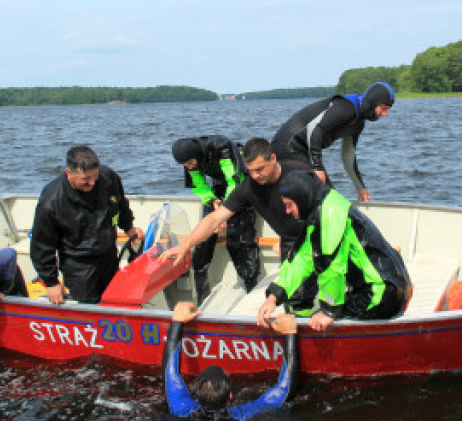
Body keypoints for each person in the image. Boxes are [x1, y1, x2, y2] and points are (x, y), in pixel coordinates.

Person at [257, 170, 412, 332]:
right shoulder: (324, 205)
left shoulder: (329, 217)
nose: (287, 211)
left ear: (302, 199)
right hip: (392, 285)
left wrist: (329, 311)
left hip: (382, 294)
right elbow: (301, 259)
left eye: (290, 204)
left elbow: (331, 268)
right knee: (322, 312)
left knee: (318, 319)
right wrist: (273, 297)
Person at [160, 137, 307, 267]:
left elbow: (319, 211)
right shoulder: (248, 188)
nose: (255, 176)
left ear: (273, 158)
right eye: (250, 171)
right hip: (291, 245)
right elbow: (213, 217)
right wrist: (185, 246)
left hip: (312, 238)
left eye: (260, 169)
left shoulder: (300, 174)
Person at [30, 145, 145, 305]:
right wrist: (51, 282)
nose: (92, 182)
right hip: (79, 266)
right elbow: (42, 246)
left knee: (116, 302)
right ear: (69, 173)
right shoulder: (51, 202)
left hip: (108, 257)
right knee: (89, 307)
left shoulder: (108, 178)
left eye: (94, 176)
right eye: (85, 179)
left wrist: (129, 227)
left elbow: (120, 204)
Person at [163, 301, 298, 421]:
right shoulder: (242, 415)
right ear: (230, 396)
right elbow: (285, 390)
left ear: (196, 394)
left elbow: (170, 373)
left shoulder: (182, 409)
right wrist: (290, 332)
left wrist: (177, 321)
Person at [270, 82, 395, 203]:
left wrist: (359, 186)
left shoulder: (358, 124)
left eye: (387, 110)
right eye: (383, 108)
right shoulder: (347, 107)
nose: (385, 114)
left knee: (328, 194)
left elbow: (348, 155)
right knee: (324, 195)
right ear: (373, 102)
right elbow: (314, 128)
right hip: (288, 145)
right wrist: (317, 166)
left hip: (302, 150)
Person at [171, 135, 259, 297]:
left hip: (241, 181)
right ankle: (201, 290)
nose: (189, 167)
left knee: (239, 240)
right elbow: (199, 185)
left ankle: (250, 284)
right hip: (219, 185)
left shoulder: (221, 147)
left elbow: (233, 179)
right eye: (185, 165)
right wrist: (212, 201)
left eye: (190, 163)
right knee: (204, 239)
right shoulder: (189, 159)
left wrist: (224, 212)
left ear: (195, 155)